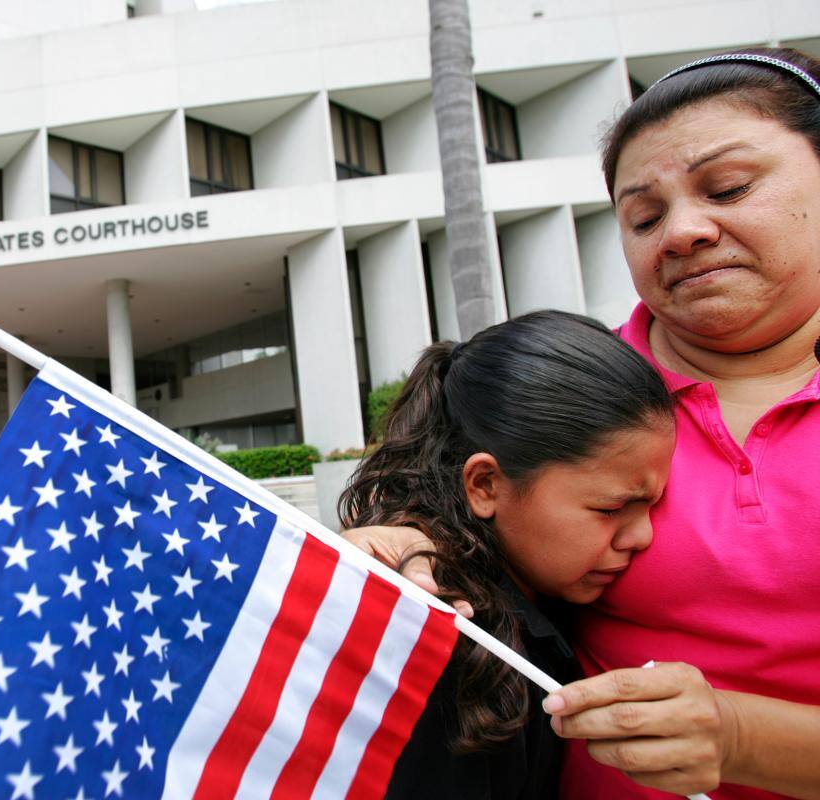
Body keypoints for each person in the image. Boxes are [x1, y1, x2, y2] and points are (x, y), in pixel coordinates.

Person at [345, 47, 820, 799]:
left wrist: (738, 736)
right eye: (644, 215)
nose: (684, 231)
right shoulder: (583, 389)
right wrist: (411, 541)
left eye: (728, 187)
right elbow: (473, 516)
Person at [339, 310, 676, 799]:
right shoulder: (452, 644)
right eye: (611, 508)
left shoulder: (537, 597)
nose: (641, 536)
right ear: (485, 484)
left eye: (654, 505)